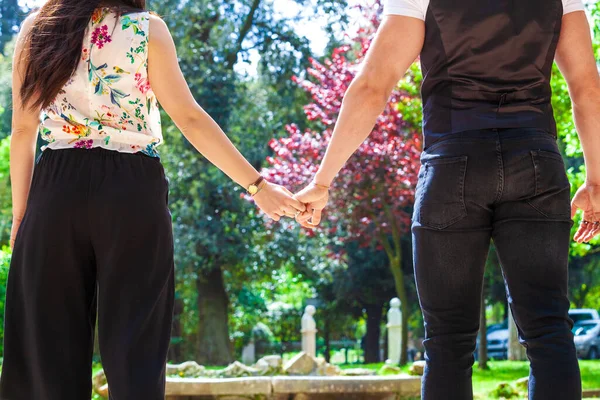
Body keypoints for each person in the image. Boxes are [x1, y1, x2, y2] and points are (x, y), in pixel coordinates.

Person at [295, 0, 599, 399]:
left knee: (447, 342)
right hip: (536, 160)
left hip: (454, 159)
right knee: (548, 331)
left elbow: (373, 84)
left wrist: (323, 180)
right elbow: (587, 87)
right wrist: (595, 178)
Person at [2, 1, 305, 399]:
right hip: (131, 189)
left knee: (47, 349)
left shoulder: (35, 29)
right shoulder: (147, 30)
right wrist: (258, 187)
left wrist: (22, 215)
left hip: (55, 189)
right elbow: (190, 118)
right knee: (136, 345)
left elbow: (23, 131)